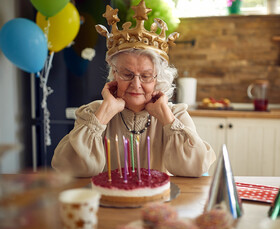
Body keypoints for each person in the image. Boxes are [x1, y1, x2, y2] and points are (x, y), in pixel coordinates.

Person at [51, 1, 216, 177]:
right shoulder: (92, 112)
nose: (136, 84)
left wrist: (167, 119)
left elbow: (197, 168)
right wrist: (103, 115)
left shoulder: (177, 115)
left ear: (157, 78)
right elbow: (66, 168)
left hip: (158, 203)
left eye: (145, 76)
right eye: (127, 74)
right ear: (114, 74)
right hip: (108, 203)